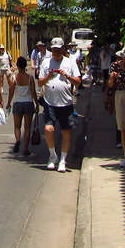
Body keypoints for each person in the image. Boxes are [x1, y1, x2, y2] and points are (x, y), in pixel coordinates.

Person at [37, 37, 81, 172]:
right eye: (54, 50)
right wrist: (48, 77)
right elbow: (40, 82)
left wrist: (67, 76)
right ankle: (52, 156)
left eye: (58, 50)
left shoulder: (70, 62)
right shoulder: (45, 62)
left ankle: (63, 160)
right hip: (50, 102)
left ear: (63, 49)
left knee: (66, 132)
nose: (56, 52)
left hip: (66, 103)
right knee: (48, 129)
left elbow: (78, 81)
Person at [8, 55, 39, 156]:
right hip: (28, 103)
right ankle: (25, 148)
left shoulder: (14, 77)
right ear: (26, 65)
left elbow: (11, 91)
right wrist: (37, 104)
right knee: (27, 127)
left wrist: (8, 103)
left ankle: (17, 140)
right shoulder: (30, 78)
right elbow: (33, 92)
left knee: (17, 126)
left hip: (17, 103)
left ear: (17, 65)